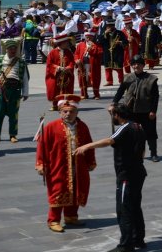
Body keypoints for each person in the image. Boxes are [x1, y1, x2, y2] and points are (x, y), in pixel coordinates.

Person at [74, 103, 147, 252]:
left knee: (124, 210)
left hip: (127, 175)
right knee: (135, 207)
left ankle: (126, 245)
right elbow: (139, 148)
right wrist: (112, 113)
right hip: (139, 172)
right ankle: (138, 239)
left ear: (118, 116)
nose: (112, 117)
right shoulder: (137, 126)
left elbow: (109, 140)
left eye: (113, 115)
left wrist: (87, 146)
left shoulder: (125, 129)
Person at [36, 94, 96, 233]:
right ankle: (53, 220)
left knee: (76, 189)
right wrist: (41, 164)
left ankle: (71, 216)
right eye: (65, 111)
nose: (68, 114)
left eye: (71, 111)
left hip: (78, 165)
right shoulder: (51, 127)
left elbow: (89, 144)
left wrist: (90, 161)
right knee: (58, 191)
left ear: (77, 112)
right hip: (58, 165)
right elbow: (42, 147)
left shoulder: (83, 126)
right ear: (59, 112)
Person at [112, 55, 160, 162]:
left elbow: (155, 97)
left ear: (143, 65)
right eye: (134, 64)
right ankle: (133, 153)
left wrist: (153, 111)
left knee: (150, 133)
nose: (136, 66)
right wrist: (114, 103)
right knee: (131, 133)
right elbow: (120, 91)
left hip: (146, 111)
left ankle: (154, 153)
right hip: (130, 111)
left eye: (139, 64)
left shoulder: (151, 79)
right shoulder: (128, 77)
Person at [0, 38, 29, 143]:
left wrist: (25, 92)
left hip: (15, 91)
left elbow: (25, 78)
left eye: (14, 48)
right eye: (10, 48)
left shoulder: (21, 62)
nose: (13, 50)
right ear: (6, 49)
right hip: (1, 90)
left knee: (13, 114)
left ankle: (12, 135)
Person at [45, 35, 75, 110]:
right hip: (56, 75)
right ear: (61, 43)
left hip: (66, 74)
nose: (68, 44)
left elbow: (72, 62)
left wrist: (68, 68)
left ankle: (65, 104)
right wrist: (58, 68)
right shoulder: (52, 52)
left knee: (66, 90)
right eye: (66, 42)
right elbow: (49, 64)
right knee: (55, 89)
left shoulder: (69, 52)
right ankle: (55, 105)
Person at [74, 30, 103, 100]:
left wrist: (91, 50)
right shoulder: (80, 45)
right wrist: (77, 60)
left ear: (93, 37)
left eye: (90, 37)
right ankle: (84, 94)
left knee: (95, 79)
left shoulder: (97, 45)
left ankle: (96, 94)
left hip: (93, 65)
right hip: (83, 64)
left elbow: (100, 53)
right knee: (82, 79)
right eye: (87, 37)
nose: (88, 39)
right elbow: (76, 54)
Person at [98, 19, 128, 85]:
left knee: (119, 68)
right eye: (109, 26)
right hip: (107, 53)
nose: (110, 27)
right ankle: (109, 81)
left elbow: (126, 42)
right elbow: (99, 42)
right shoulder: (104, 33)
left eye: (111, 25)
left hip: (117, 53)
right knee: (108, 68)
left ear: (114, 25)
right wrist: (105, 33)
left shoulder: (119, 33)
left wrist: (120, 42)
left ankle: (121, 80)